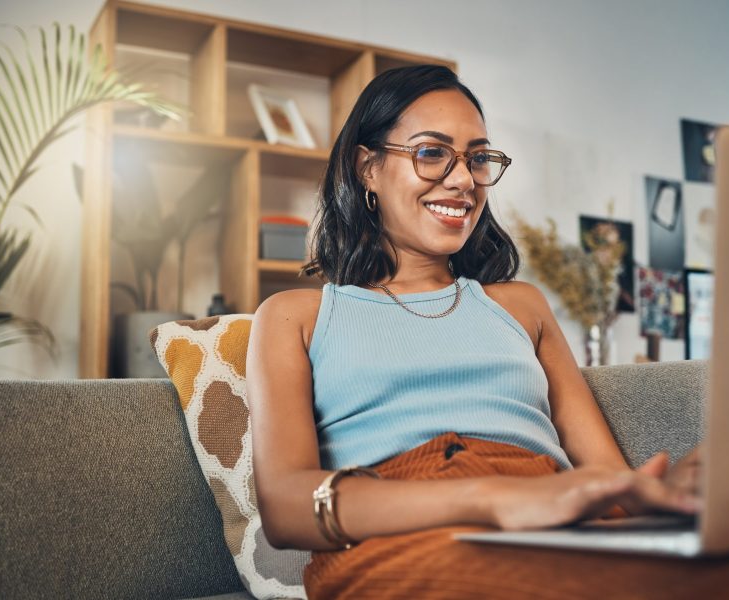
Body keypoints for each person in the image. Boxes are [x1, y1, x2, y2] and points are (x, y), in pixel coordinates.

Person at [245, 65, 700, 599]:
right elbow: (288, 508)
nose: (463, 180)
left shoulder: (520, 305)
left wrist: (673, 497)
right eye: (431, 152)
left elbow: (607, 478)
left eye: (478, 158)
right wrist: (490, 497)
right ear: (367, 167)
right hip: (400, 535)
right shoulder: (293, 317)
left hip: (552, 522)